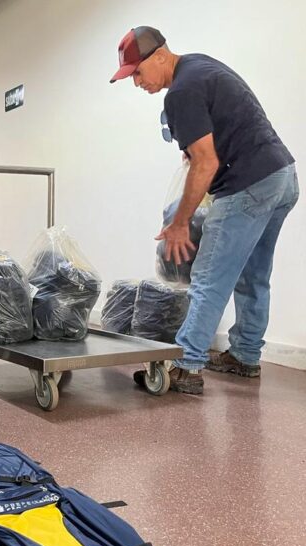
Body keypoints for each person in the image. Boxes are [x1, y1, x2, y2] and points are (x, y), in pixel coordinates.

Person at [111, 27, 299, 395]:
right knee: (253, 275)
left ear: (160, 55)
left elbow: (205, 163)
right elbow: (221, 133)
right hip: (282, 177)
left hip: (248, 184)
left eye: (137, 71)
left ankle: (187, 364)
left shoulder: (180, 93)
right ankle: (245, 355)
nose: (136, 82)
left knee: (209, 278)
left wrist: (180, 223)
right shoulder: (200, 66)